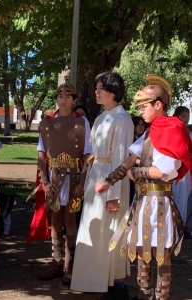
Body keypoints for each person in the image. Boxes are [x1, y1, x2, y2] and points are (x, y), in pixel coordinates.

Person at [95, 74, 191, 300]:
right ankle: (146, 296)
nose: (140, 110)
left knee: (161, 255)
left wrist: (135, 173)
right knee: (142, 255)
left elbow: (161, 172)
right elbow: (131, 158)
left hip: (159, 203)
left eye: (144, 105)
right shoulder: (150, 131)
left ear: (159, 104)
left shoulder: (171, 129)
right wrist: (110, 180)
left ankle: (162, 298)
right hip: (142, 202)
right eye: (138, 106)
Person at [71, 71, 133, 299]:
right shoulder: (100, 117)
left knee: (110, 230)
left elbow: (120, 158)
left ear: (113, 92)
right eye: (96, 88)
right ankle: (93, 278)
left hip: (110, 179)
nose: (96, 92)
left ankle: (116, 283)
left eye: (101, 88)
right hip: (95, 176)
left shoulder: (122, 120)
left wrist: (114, 194)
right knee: (93, 229)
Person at [36, 79, 92, 285]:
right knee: (55, 220)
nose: (63, 100)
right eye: (60, 96)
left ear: (74, 100)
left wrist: (82, 182)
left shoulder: (82, 122)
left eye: (67, 97)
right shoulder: (47, 122)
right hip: (54, 178)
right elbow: (41, 154)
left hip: (74, 177)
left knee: (70, 220)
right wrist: (44, 182)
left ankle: (72, 266)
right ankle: (56, 263)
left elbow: (88, 154)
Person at [172, 106, 192, 227]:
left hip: (186, 169)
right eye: (183, 116)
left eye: (187, 116)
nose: (185, 119)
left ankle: (181, 224)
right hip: (174, 168)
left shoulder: (189, 133)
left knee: (184, 197)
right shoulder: (173, 130)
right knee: (174, 194)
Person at [130, 117, 145, 204]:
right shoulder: (131, 140)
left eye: (142, 125)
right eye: (138, 125)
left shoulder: (143, 139)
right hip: (132, 173)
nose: (141, 127)